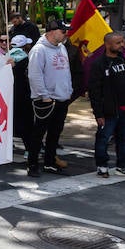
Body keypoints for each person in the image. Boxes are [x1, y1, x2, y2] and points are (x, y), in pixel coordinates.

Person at [86, 32, 125, 178]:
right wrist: (98, 114)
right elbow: (94, 92)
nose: (122, 46)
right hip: (109, 111)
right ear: (107, 44)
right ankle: (102, 165)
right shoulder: (99, 64)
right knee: (103, 139)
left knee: (124, 140)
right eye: (118, 43)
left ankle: (123, 165)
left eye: (122, 42)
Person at [26, 20, 73, 177]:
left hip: (62, 97)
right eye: (63, 31)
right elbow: (34, 75)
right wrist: (44, 95)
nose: (66, 34)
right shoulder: (39, 50)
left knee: (55, 133)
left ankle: (49, 162)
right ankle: (32, 164)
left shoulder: (62, 48)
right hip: (46, 100)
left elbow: (66, 71)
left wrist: (69, 89)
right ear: (52, 32)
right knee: (38, 133)